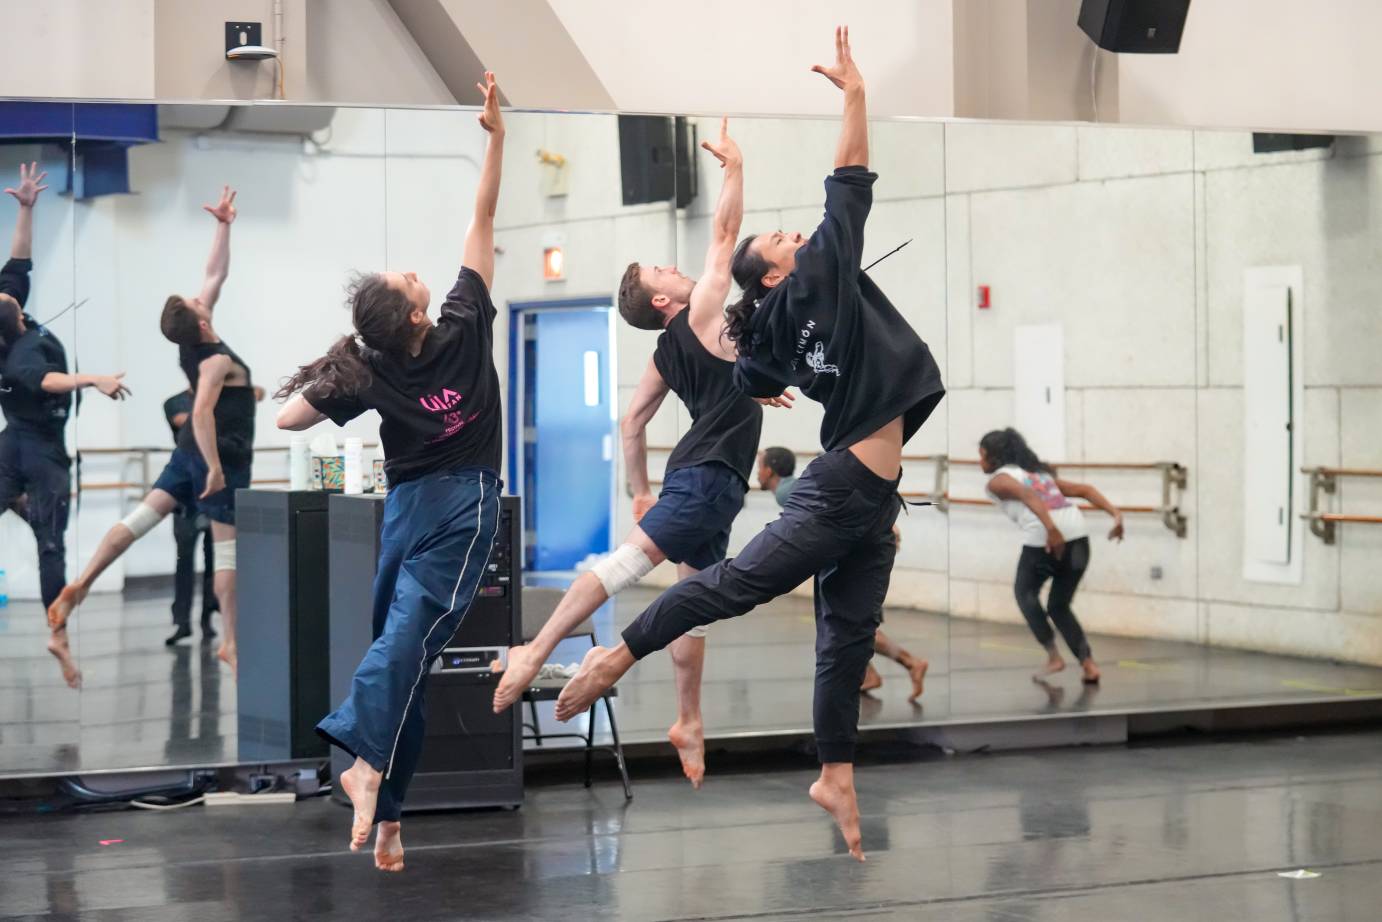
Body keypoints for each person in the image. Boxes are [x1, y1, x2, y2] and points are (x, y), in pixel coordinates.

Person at [553, 28, 945, 862]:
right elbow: (850, 178)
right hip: (840, 491)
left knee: (845, 636)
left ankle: (835, 771)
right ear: (773, 273)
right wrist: (855, 95)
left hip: (869, 501)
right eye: (783, 241)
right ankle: (617, 656)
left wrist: (766, 380)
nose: (798, 236)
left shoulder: (770, 328)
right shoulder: (818, 273)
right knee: (731, 587)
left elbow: (760, 372)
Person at [492, 118, 790, 789]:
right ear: (662, 299)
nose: (681, 269)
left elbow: (631, 421)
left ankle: (688, 718)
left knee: (696, 598)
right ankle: (535, 651)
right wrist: (735, 169)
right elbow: (722, 236)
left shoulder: (671, 348)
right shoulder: (703, 307)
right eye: (665, 270)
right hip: (709, 478)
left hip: (705, 477)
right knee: (626, 565)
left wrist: (638, 487)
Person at [274, 71, 507, 874]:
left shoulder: (373, 371)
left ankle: (389, 809)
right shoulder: (464, 324)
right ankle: (365, 760)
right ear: (417, 313)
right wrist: (497, 137)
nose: (416, 273)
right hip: (456, 508)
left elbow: (289, 418)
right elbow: (482, 218)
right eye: (409, 282)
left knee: (402, 656)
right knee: (403, 650)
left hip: (405, 512)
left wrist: (345, 367)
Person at [47, 185, 250, 677]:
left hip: (186, 456)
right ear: (201, 321)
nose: (201, 296)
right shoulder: (215, 359)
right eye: (196, 301)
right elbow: (201, 413)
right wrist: (217, 470)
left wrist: (223, 225)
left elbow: (214, 273)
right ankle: (230, 641)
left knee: (140, 520)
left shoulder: (195, 342)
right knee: (227, 551)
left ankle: (80, 584)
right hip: (217, 455)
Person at [0, 163, 130, 689]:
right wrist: (92, 378)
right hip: (41, 451)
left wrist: (26, 208)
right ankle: (60, 635)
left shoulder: (11, 310)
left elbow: (19, 260)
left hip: (12, 445)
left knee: (44, 530)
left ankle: (25, 508)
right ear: (13, 320)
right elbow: (49, 381)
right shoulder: (20, 356)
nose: (6, 290)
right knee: (51, 546)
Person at [757, 446, 928, 700]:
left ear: (769, 470)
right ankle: (869, 673)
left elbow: (839, 507)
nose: (757, 473)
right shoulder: (790, 488)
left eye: (758, 466)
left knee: (858, 628)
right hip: (848, 554)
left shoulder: (786, 491)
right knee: (843, 626)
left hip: (853, 556)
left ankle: (911, 662)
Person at [979, 428, 1123, 685]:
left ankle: (1054, 656)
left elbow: (1028, 495)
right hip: (1079, 539)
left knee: (1024, 594)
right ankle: (1089, 665)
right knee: (1058, 605)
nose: (980, 462)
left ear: (994, 457)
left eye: (982, 455)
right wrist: (1115, 514)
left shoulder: (997, 481)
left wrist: (1051, 529)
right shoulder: (1038, 475)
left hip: (1045, 541)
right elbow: (1084, 489)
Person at [162, 388, 216, 645]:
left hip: (212, 488)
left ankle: (208, 617)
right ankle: (182, 621)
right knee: (184, 559)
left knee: (213, 559)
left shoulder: (218, 396)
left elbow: (258, 393)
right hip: (187, 492)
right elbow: (187, 421)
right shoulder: (174, 402)